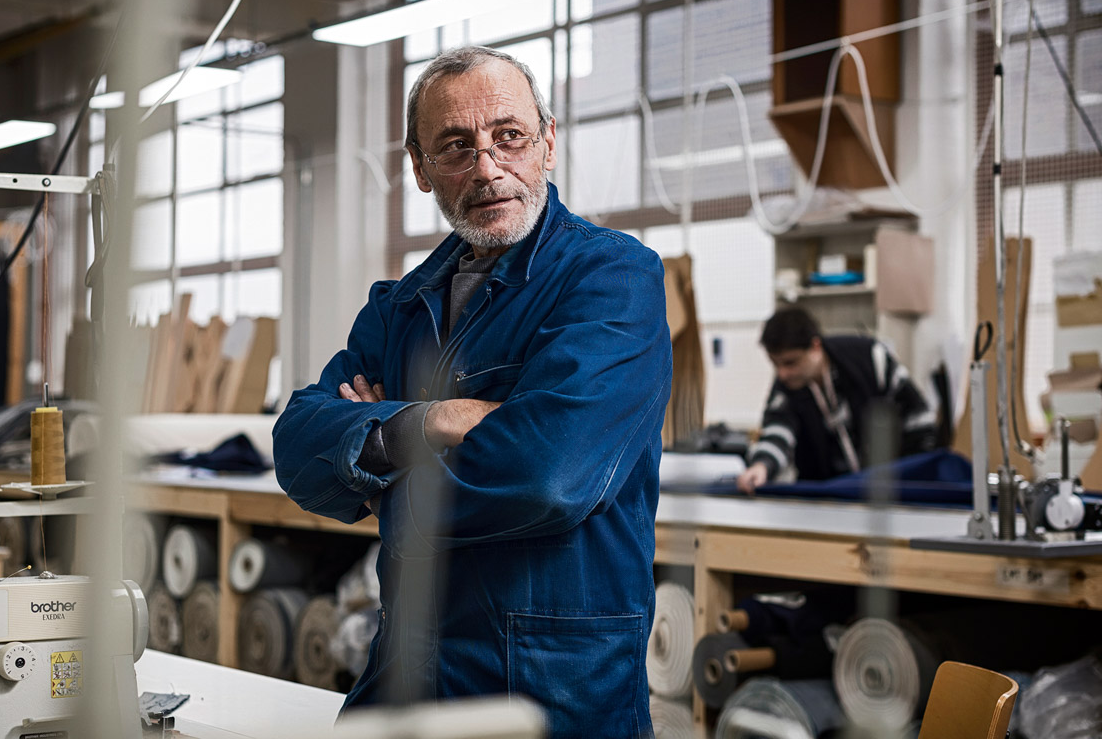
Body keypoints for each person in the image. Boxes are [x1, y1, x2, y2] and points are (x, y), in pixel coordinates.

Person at [273, 45, 672, 736]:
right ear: (420, 167)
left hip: (551, 691)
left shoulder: (612, 280)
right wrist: (435, 421)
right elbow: (296, 447)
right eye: (456, 146)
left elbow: (548, 475)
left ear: (548, 142)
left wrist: (381, 478)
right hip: (405, 676)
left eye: (509, 136)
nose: (488, 168)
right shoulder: (401, 306)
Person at [737, 306, 937, 494]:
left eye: (791, 363)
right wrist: (761, 466)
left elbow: (918, 417)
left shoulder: (869, 357)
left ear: (815, 347)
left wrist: (912, 473)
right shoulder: (786, 387)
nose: (782, 374)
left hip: (889, 488)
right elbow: (777, 432)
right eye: (775, 364)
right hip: (827, 495)